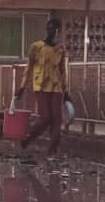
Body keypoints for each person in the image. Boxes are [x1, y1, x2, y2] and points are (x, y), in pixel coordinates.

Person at [15, 18, 68, 156]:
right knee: (46, 117)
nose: (53, 32)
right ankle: (29, 137)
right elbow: (29, 68)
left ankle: (52, 150)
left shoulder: (60, 49)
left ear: (58, 31)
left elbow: (63, 70)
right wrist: (22, 87)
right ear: (47, 29)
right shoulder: (36, 47)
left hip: (56, 86)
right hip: (41, 85)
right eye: (50, 28)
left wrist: (65, 89)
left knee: (57, 119)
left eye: (56, 29)